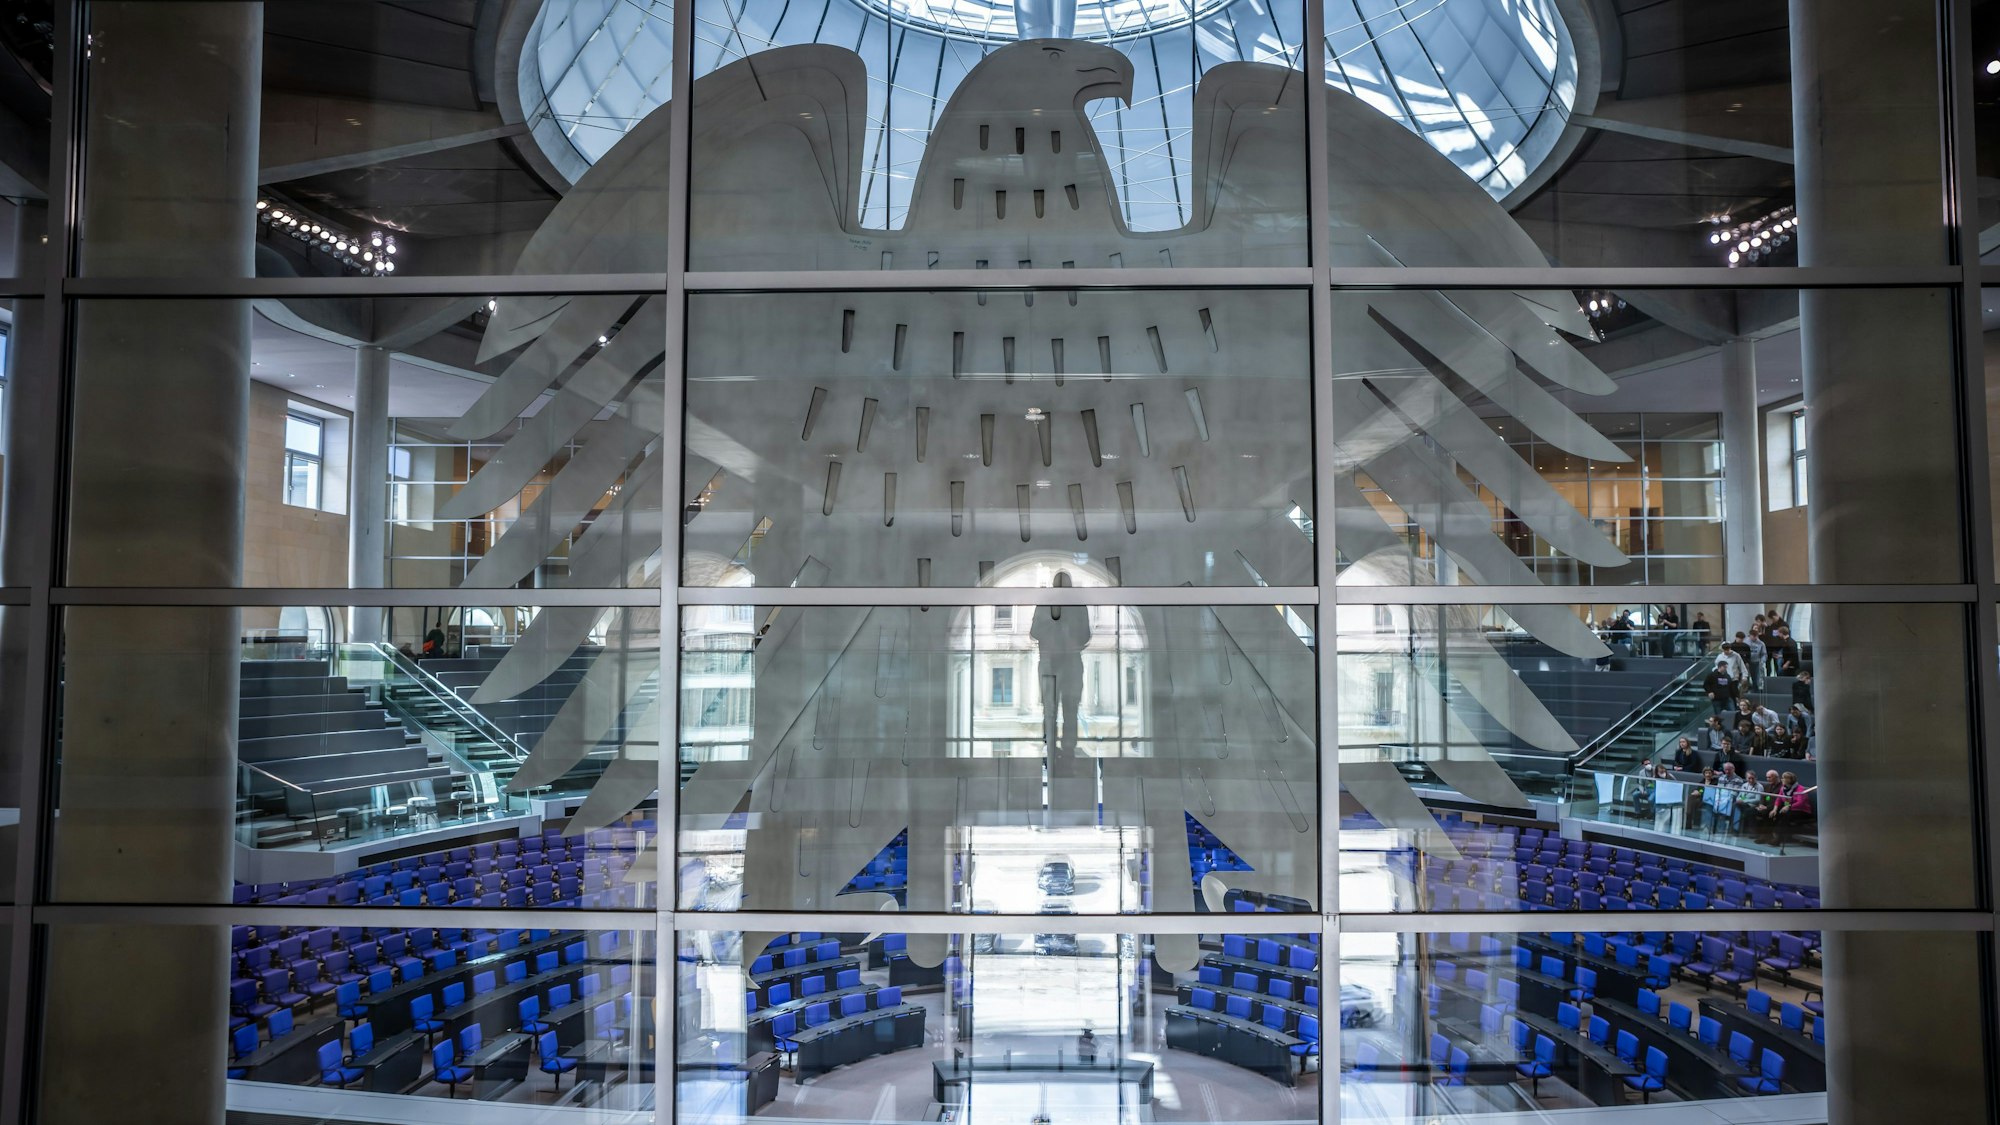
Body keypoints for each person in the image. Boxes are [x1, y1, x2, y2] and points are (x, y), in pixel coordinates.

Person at [1032, 571, 1091, 755]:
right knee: (1058, 707)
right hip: (1058, 661)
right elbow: (1035, 631)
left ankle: (1060, 747)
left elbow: (1085, 635)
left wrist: (1065, 635)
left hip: (1061, 662)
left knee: (1063, 707)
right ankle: (1059, 747)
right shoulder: (1077, 605)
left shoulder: (1047, 604)